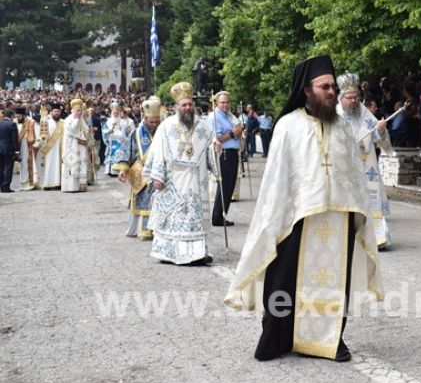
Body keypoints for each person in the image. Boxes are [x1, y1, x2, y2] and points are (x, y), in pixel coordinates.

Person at [224, 55, 383, 363]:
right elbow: (278, 182)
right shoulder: (288, 126)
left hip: (339, 217)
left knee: (336, 284)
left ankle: (330, 340)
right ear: (307, 90)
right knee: (284, 279)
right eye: (325, 87)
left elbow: (354, 176)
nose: (331, 92)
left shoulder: (343, 129)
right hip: (297, 218)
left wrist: (358, 214)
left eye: (333, 87)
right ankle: (278, 337)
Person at [142, 82, 219, 266]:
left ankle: (197, 253)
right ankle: (169, 253)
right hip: (173, 180)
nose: (187, 108)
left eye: (189, 104)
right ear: (176, 106)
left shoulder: (204, 127)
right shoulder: (166, 126)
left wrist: (215, 149)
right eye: (183, 105)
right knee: (174, 217)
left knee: (194, 217)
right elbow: (158, 152)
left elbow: (209, 149)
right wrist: (157, 177)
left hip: (196, 179)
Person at [336, 72, 393, 250]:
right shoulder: (334, 114)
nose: (353, 101)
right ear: (341, 98)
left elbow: (378, 137)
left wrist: (381, 130)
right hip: (343, 166)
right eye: (349, 98)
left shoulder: (364, 112)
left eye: (356, 97)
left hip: (366, 166)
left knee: (371, 199)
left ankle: (377, 237)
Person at [114, 97, 162, 239]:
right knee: (142, 200)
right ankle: (142, 229)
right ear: (145, 119)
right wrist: (123, 168)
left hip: (158, 173)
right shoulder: (135, 134)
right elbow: (126, 150)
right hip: (140, 172)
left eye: (156, 121)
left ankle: (157, 229)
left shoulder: (163, 132)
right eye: (151, 122)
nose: (154, 124)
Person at [205, 91, 243, 226]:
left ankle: (222, 214)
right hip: (224, 153)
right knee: (225, 186)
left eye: (227, 102)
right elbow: (215, 138)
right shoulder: (214, 117)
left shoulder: (229, 116)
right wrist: (233, 133)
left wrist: (240, 131)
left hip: (232, 152)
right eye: (222, 102)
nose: (225, 105)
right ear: (216, 103)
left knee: (229, 186)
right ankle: (217, 217)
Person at [61, 99, 91, 193]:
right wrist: (76, 120)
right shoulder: (68, 119)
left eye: (80, 110)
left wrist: (88, 132)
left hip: (80, 145)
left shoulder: (80, 118)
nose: (79, 112)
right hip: (71, 146)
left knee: (81, 163)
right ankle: (70, 186)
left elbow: (85, 128)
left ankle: (81, 185)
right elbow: (71, 130)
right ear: (72, 110)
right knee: (72, 164)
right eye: (77, 110)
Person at [37, 103, 64, 190]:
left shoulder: (63, 122)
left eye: (58, 111)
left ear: (60, 112)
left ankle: (58, 183)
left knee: (60, 166)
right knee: (49, 166)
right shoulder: (46, 122)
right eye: (55, 111)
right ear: (51, 112)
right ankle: (48, 183)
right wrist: (43, 140)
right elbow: (42, 135)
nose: (57, 113)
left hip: (61, 148)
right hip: (50, 148)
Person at [102, 102, 132, 176]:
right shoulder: (108, 121)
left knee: (118, 154)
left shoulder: (123, 121)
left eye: (117, 113)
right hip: (112, 141)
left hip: (120, 141)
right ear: (112, 112)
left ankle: (118, 170)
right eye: (114, 113)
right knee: (111, 154)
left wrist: (123, 129)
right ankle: (110, 170)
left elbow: (127, 131)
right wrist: (109, 131)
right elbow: (104, 130)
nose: (115, 114)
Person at [14, 107, 39, 190]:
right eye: (16, 116)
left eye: (19, 117)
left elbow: (37, 134)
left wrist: (36, 144)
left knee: (30, 164)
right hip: (19, 146)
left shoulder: (31, 122)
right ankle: (24, 184)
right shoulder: (15, 121)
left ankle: (31, 183)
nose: (17, 118)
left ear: (24, 115)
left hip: (29, 146)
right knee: (22, 164)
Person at [0, 109, 19, 193]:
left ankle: (1, 185)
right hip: (8, 148)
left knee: (0, 168)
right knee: (8, 168)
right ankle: (5, 187)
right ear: (11, 116)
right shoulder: (12, 124)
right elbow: (14, 139)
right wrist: (17, 151)